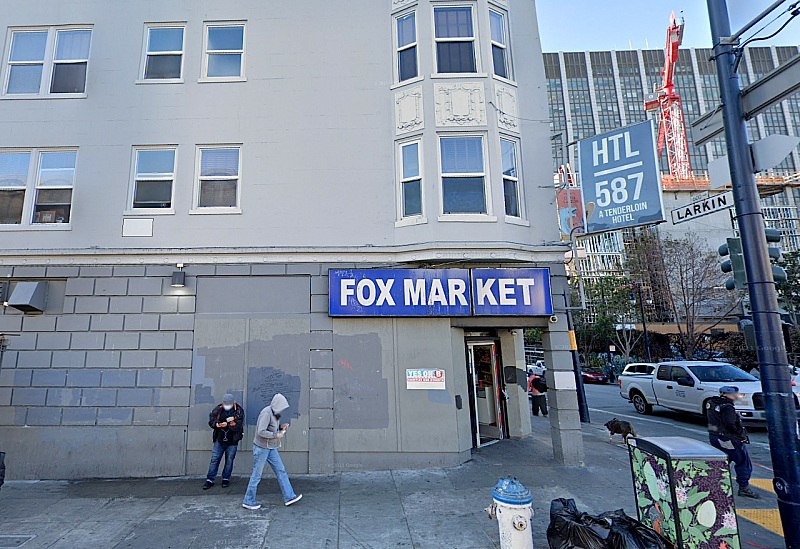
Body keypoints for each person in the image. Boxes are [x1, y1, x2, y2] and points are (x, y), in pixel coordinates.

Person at [242, 393, 303, 510]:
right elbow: (261, 431)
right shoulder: (266, 413)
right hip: (262, 448)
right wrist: (276, 435)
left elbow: (271, 428)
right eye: (282, 407)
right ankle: (248, 500)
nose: (282, 409)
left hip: (270, 447)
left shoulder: (274, 413)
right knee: (257, 475)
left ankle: (289, 497)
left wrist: (281, 428)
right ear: (277, 405)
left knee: (281, 470)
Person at [706, 386, 761, 499]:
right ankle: (744, 487)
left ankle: (713, 485)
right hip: (729, 438)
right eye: (735, 394)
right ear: (727, 394)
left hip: (715, 436)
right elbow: (729, 423)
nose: (737, 396)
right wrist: (739, 433)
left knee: (722, 462)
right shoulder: (728, 407)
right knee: (743, 462)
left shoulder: (712, 403)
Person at [203, 393, 244, 490]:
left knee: (229, 461)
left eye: (228, 403)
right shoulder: (218, 409)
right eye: (225, 403)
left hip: (232, 440)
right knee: (214, 459)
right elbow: (211, 420)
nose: (226, 405)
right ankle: (210, 479)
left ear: (233, 402)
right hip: (219, 439)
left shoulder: (239, 410)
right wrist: (217, 424)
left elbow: (239, 425)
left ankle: (226, 478)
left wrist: (228, 424)